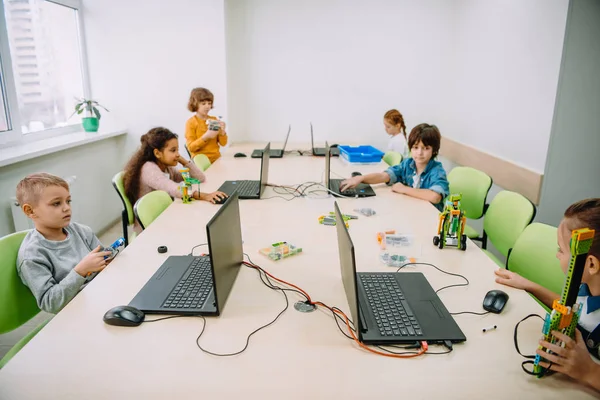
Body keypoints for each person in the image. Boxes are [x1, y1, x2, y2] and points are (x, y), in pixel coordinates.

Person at [495, 198, 600, 390]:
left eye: (561, 249)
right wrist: (529, 285)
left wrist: (590, 372)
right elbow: (570, 308)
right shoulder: (586, 288)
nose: (557, 254)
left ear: (591, 264)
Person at [16, 173, 111, 313]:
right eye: (56, 203)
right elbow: (50, 303)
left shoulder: (82, 231)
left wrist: (109, 259)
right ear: (30, 211)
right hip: (75, 312)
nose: (66, 208)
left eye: (68, 201)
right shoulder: (31, 256)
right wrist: (80, 271)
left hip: (102, 296)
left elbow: (106, 266)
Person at [123, 127, 226, 232]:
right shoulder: (149, 169)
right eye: (173, 150)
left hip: (165, 215)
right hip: (150, 227)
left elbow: (199, 178)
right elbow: (175, 189)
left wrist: (184, 161)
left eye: (178, 150)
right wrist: (205, 196)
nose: (177, 154)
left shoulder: (167, 168)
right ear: (157, 153)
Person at [340, 123, 449, 211]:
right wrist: (361, 178)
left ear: (434, 150)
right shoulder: (408, 164)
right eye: (415, 147)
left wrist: (404, 189)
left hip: (430, 218)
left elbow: (435, 196)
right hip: (412, 211)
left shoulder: (437, 171)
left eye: (425, 148)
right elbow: (384, 176)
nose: (419, 153)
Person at [185, 87, 227, 163]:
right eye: (203, 103)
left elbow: (223, 143)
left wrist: (223, 132)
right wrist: (206, 137)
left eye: (209, 103)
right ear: (195, 104)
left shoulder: (214, 120)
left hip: (216, 159)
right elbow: (191, 148)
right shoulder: (191, 122)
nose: (207, 106)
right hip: (201, 162)